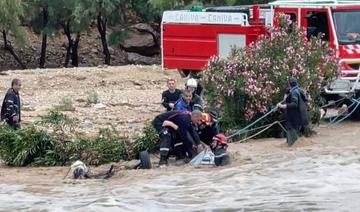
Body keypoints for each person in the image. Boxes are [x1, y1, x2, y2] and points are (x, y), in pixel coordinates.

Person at [277, 77, 310, 146]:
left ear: (289, 84)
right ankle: (292, 144)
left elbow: (294, 104)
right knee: (295, 133)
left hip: (293, 117)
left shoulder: (294, 92)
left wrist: (282, 106)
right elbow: (307, 99)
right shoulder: (299, 90)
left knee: (290, 130)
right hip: (299, 116)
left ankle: (291, 144)